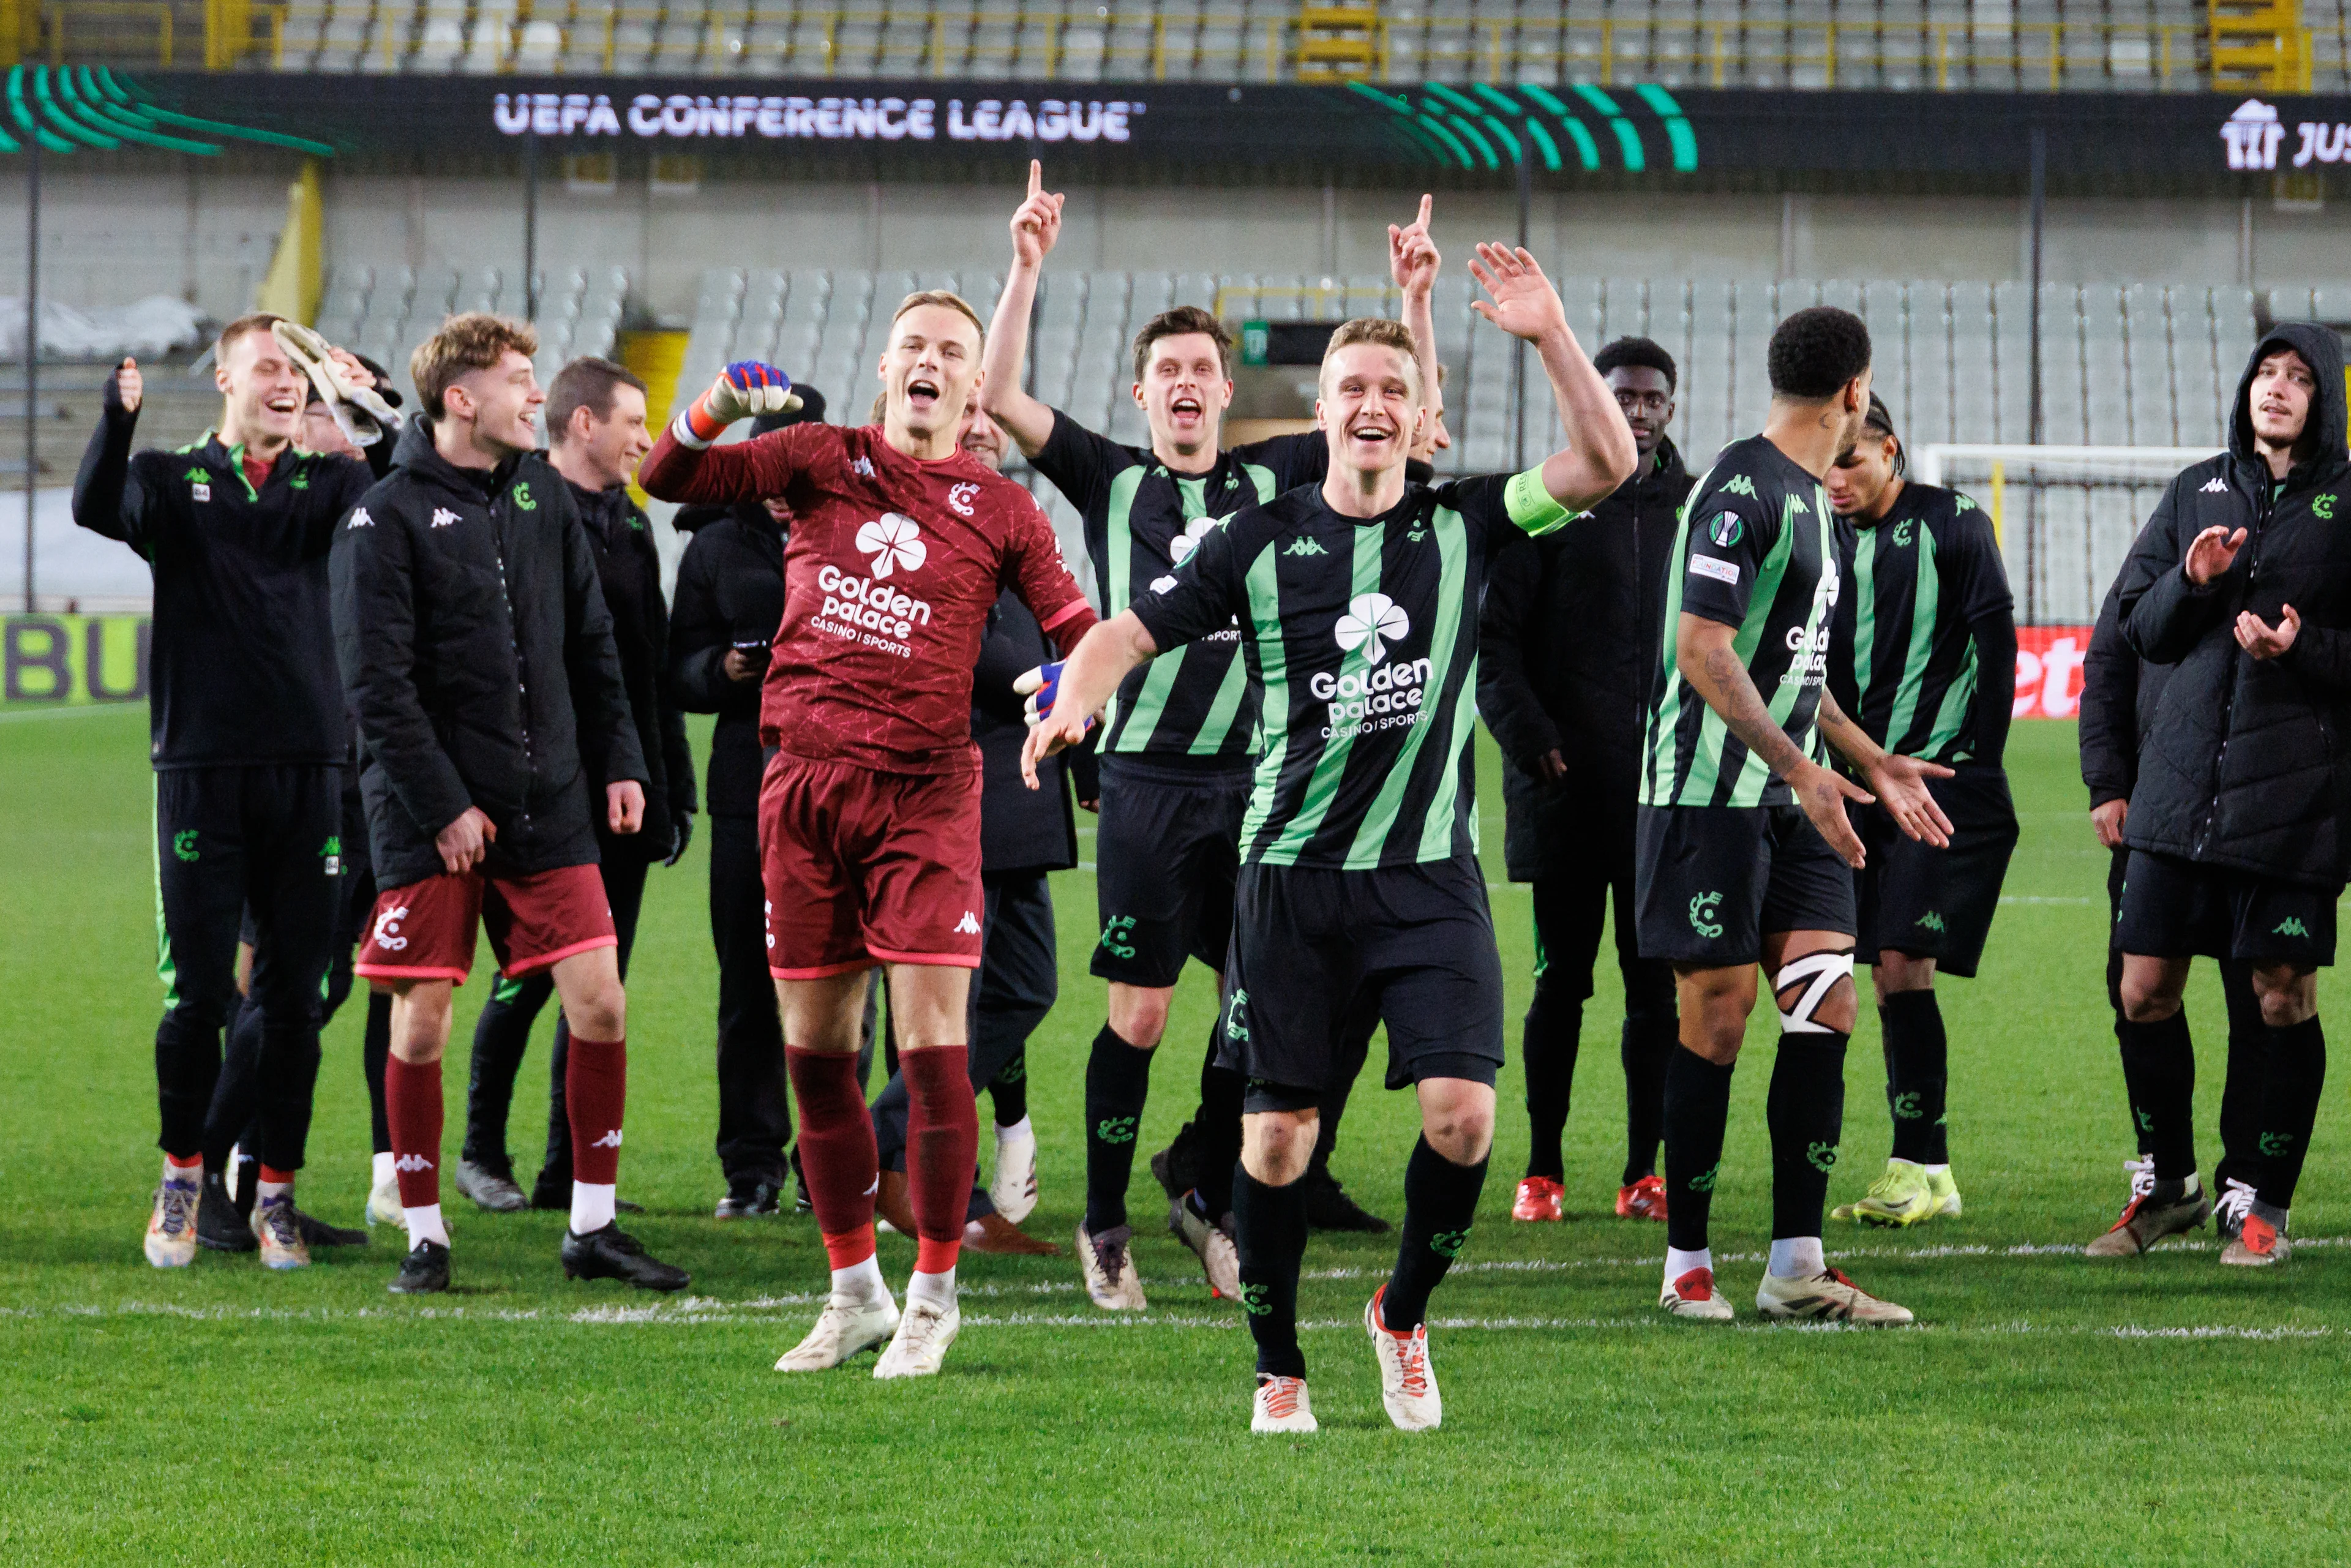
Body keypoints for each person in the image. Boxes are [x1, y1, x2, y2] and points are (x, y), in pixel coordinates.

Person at [1026, 245, 1638, 1434]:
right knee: (1273, 1139)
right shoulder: (1255, 543)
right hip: (1293, 885)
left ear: (1419, 417)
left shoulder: (1470, 520)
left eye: (1391, 389)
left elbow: (1608, 463)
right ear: (1321, 412)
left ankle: (1401, 1315)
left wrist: (1552, 331)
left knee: (1464, 1117)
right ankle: (1278, 1365)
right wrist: (1076, 697)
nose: (1370, 404)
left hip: (1426, 881)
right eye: (1350, 387)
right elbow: (1123, 630)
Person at [983, 160, 1437, 1307]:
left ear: (1230, 393)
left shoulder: (1282, 477)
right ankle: (1103, 1223)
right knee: (1137, 1014)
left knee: (1269, 1010)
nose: (1185, 385)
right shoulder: (1111, 480)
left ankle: (1204, 1191)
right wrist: (1027, 265)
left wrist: (1415, 302)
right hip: (1143, 786)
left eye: (1202, 371)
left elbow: (1407, 433)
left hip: (1262, 787)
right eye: (1167, 372)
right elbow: (998, 396)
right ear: (1141, 396)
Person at [636, 290, 1098, 1380]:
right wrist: (705, 410)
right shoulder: (813, 458)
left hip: (929, 795)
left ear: (974, 386)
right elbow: (667, 480)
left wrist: (1069, 692)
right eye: (914, 348)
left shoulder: (1004, 511)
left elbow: (1076, 628)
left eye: (952, 352)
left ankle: (934, 1296)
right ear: (885, 368)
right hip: (798, 790)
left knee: (936, 1053)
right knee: (817, 1054)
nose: (930, 363)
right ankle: (855, 1293)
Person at [334, 313, 686, 1296]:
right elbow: (378, 689)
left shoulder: (541, 496)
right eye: (521, 380)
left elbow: (591, 643)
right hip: (431, 816)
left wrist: (622, 760)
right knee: (423, 1028)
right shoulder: (384, 515)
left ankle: (593, 1226)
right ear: (461, 399)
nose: (536, 396)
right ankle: (424, 1234)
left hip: (549, 803)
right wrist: (443, 804)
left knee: (601, 1002)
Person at [1638, 305, 1952, 1327]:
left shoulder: (1816, 502)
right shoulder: (1743, 487)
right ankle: (1687, 1262)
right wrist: (1800, 770)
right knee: (1719, 1019)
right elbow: (1702, 649)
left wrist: (1865, 760)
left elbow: (1792, 674)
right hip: (1705, 796)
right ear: (1856, 390)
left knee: (1827, 1005)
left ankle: (1796, 1265)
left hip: (1794, 794)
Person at [74, 317, 392, 1272]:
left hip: (310, 770)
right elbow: (95, 505)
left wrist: (367, 405)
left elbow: (400, 504)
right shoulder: (174, 482)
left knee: (297, 998)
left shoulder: (335, 482)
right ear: (225, 379)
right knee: (200, 994)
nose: (284, 381)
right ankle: (182, 1175)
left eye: (297, 372)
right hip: (200, 771)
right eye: (268, 366)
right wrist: (115, 421)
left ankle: (277, 1196)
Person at [2098, 321, 2351, 1267]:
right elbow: (2135, 631)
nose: (2275, 389)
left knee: (2282, 996)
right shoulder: (2195, 491)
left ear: (2325, 395)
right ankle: (2166, 1185)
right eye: (2264, 374)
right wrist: (2194, 583)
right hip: (2177, 796)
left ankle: (2263, 1202)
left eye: (2297, 377)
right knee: (2144, 990)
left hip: (2295, 807)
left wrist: (2306, 650)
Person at [452, 357, 698, 1215]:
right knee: (523, 979)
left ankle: (567, 1168)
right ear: (585, 424)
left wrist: (672, 784)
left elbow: (645, 667)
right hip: (543, 788)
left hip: (622, 790)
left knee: (601, 989)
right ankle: (482, 1152)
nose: (645, 438)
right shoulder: (516, 506)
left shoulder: (631, 527)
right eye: (634, 422)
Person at [1477, 333, 1689, 1227]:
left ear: (1670, 408)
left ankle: (1645, 1171)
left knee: (1655, 992)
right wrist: (1532, 737)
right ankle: (1543, 1166)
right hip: (1563, 790)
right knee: (1560, 982)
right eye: (1621, 397)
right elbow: (1494, 646)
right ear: (1588, 401)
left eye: (1650, 399)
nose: (1636, 412)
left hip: (1664, 797)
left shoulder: (1698, 505)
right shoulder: (1547, 505)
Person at [195, 367, 405, 1255]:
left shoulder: (360, 500)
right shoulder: (271, 514)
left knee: (313, 999)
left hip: (362, 784)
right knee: (286, 990)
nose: (349, 434)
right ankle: (205, 1179)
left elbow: (395, 465)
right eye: (331, 412)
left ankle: (259, 1184)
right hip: (292, 782)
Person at [868, 403, 1068, 1256]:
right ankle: (893, 1166)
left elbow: (1054, 636)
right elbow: (974, 654)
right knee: (947, 1005)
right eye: (964, 411)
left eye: (990, 411)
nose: (982, 425)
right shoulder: (895, 525)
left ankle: (879, 1144)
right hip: (941, 800)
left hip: (1021, 799)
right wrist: (1050, 680)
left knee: (1025, 986)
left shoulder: (1012, 525)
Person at [1821, 394, 2019, 1228]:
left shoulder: (1954, 521)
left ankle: (1913, 1162)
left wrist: (1977, 761)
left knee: (1900, 962)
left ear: (1890, 450)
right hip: (1849, 785)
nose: (1836, 479)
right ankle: (1931, 1168)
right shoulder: (1820, 534)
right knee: (1874, 969)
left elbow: (1997, 639)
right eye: (1826, 462)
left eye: (1851, 461)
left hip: (1936, 780)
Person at [668, 391, 827, 1218]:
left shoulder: (852, 533)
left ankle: (828, 1161)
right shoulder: (715, 549)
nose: (777, 484)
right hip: (747, 789)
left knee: (840, 983)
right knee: (748, 987)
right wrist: (719, 674)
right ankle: (752, 1166)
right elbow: (678, 668)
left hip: (839, 786)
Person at [2080, 573, 2269, 1239]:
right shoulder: (2171, 537)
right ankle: (2170, 1179)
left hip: (2260, 808)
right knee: (2137, 991)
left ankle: (2249, 1186)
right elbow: (2108, 659)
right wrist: (2107, 781)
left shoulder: (2308, 546)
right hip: (2157, 808)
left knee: (2263, 997)